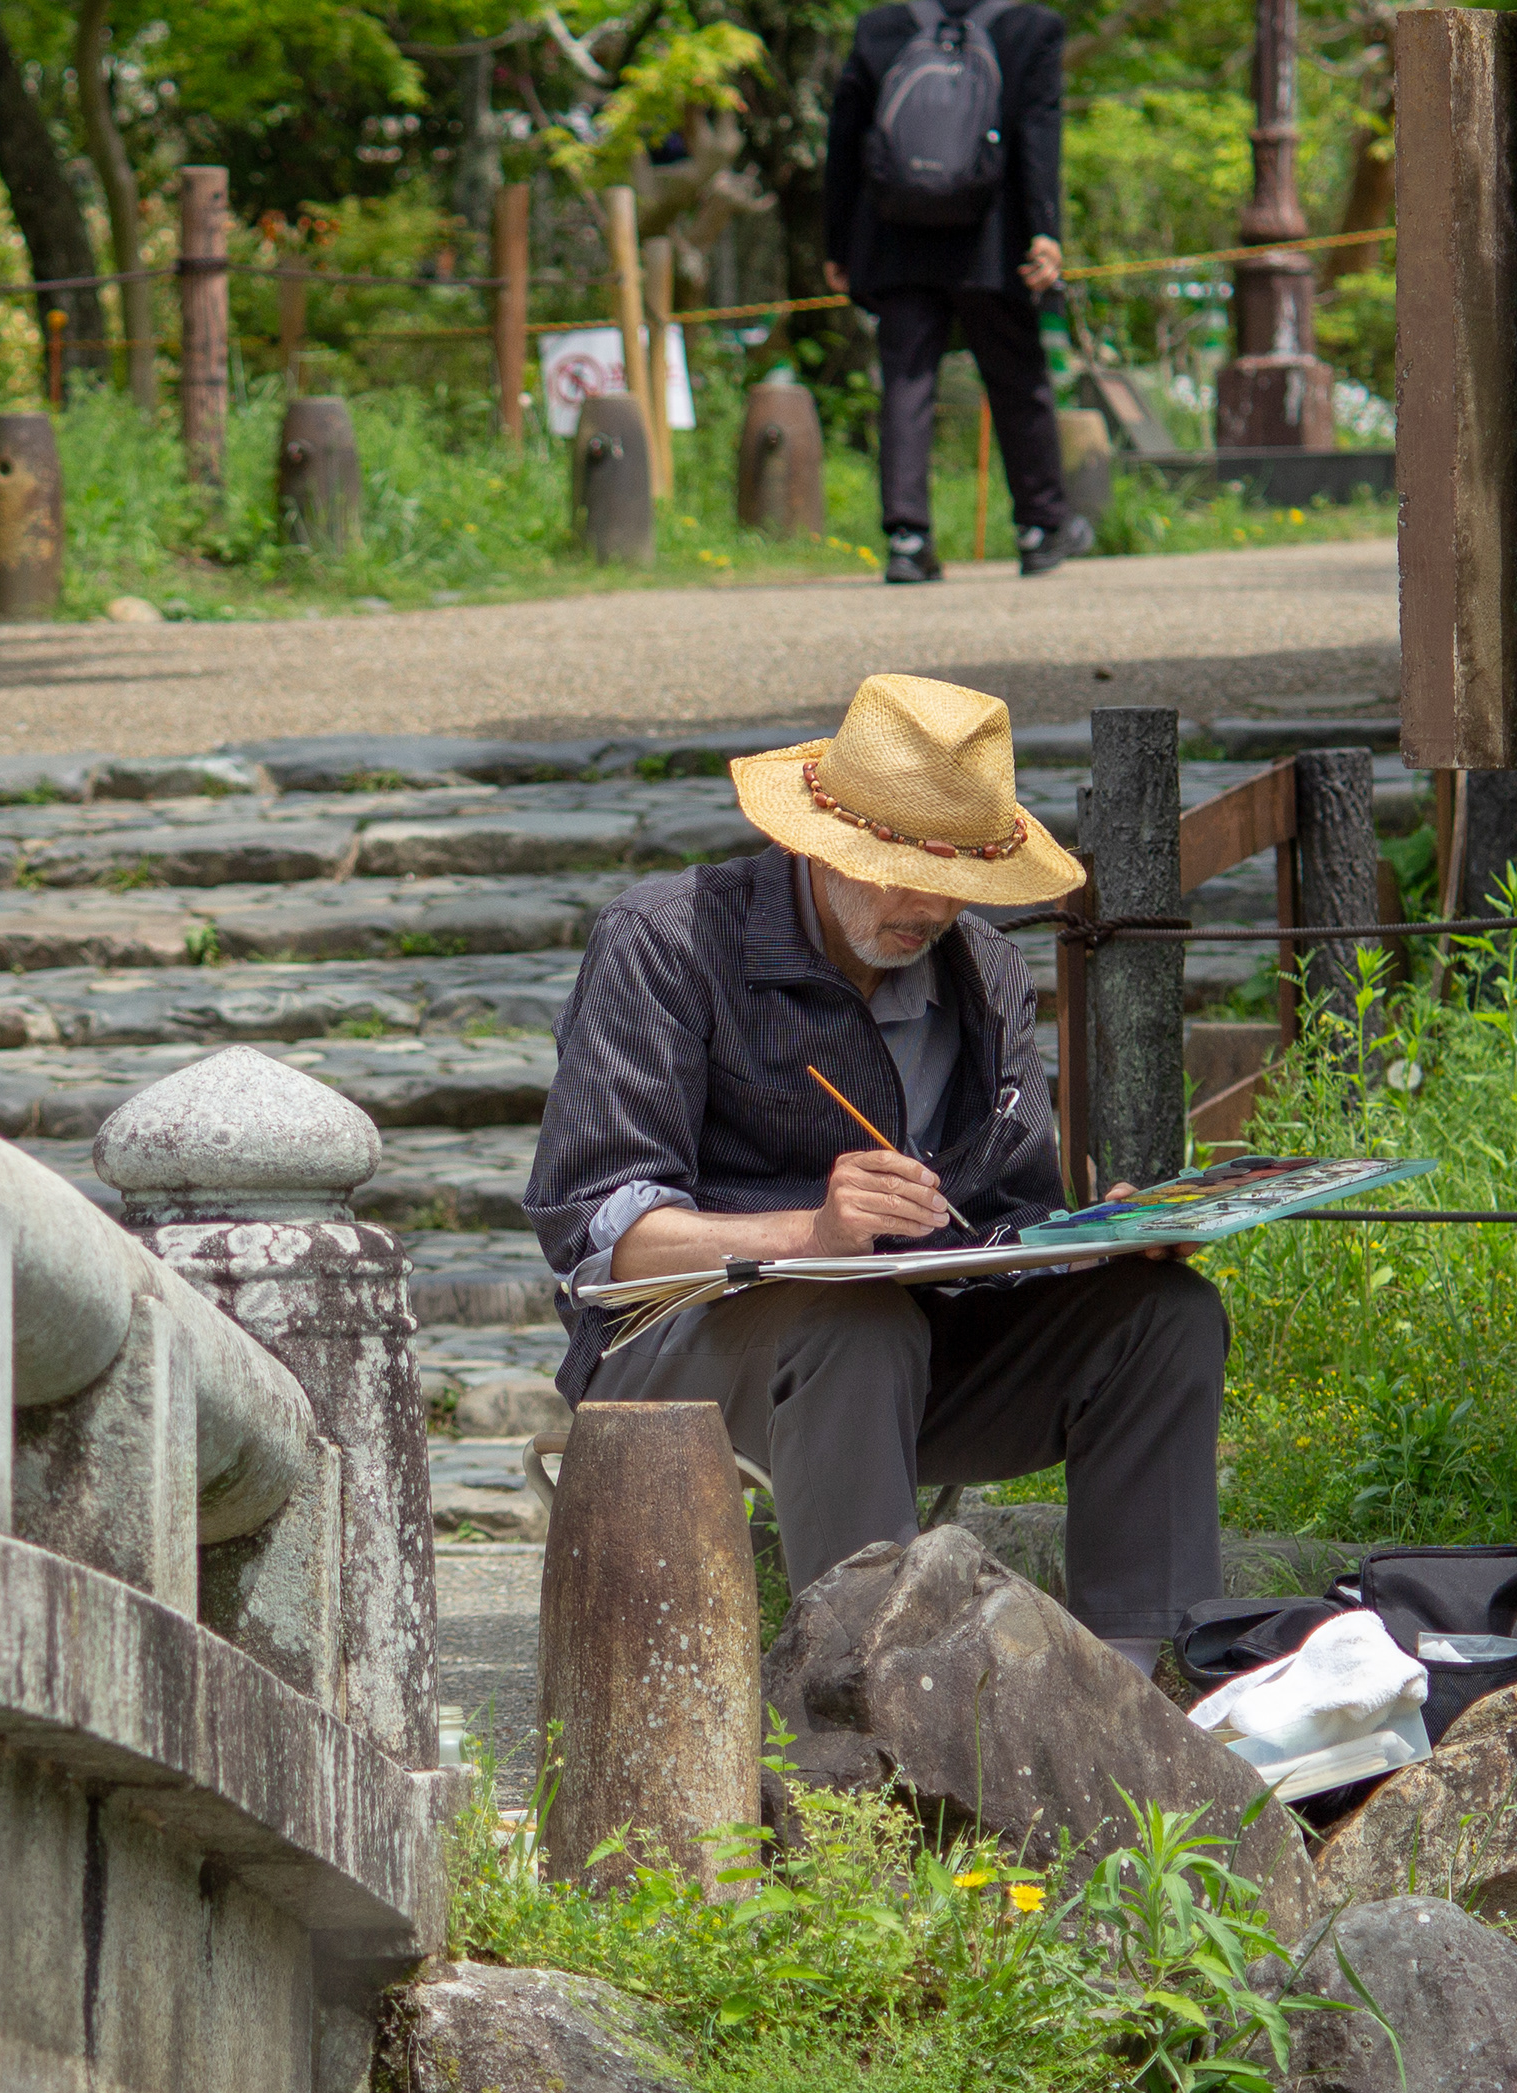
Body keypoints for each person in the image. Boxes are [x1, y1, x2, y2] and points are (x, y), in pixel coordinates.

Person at [524, 673, 1226, 1670]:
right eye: (896, 868)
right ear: (820, 840)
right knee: (851, 1318)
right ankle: (865, 1708)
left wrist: (1093, 1242)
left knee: (1164, 1317)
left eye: (958, 875)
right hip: (683, 1358)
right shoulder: (665, 942)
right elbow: (605, 1239)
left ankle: (1140, 1689)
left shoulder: (983, 972)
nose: (928, 903)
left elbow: (1006, 1219)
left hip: (921, 1351)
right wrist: (809, 1236)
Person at [817, 0, 1093, 583]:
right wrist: (1045, 231)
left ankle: (907, 539)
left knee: (907, 383)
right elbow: (1038, 131)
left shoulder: (882, 27)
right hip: (993, 239)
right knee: (1017, 377)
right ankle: (1041, 528)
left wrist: (838, 243)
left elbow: (843, 138)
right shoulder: (1030, 27)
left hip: (895, 237)